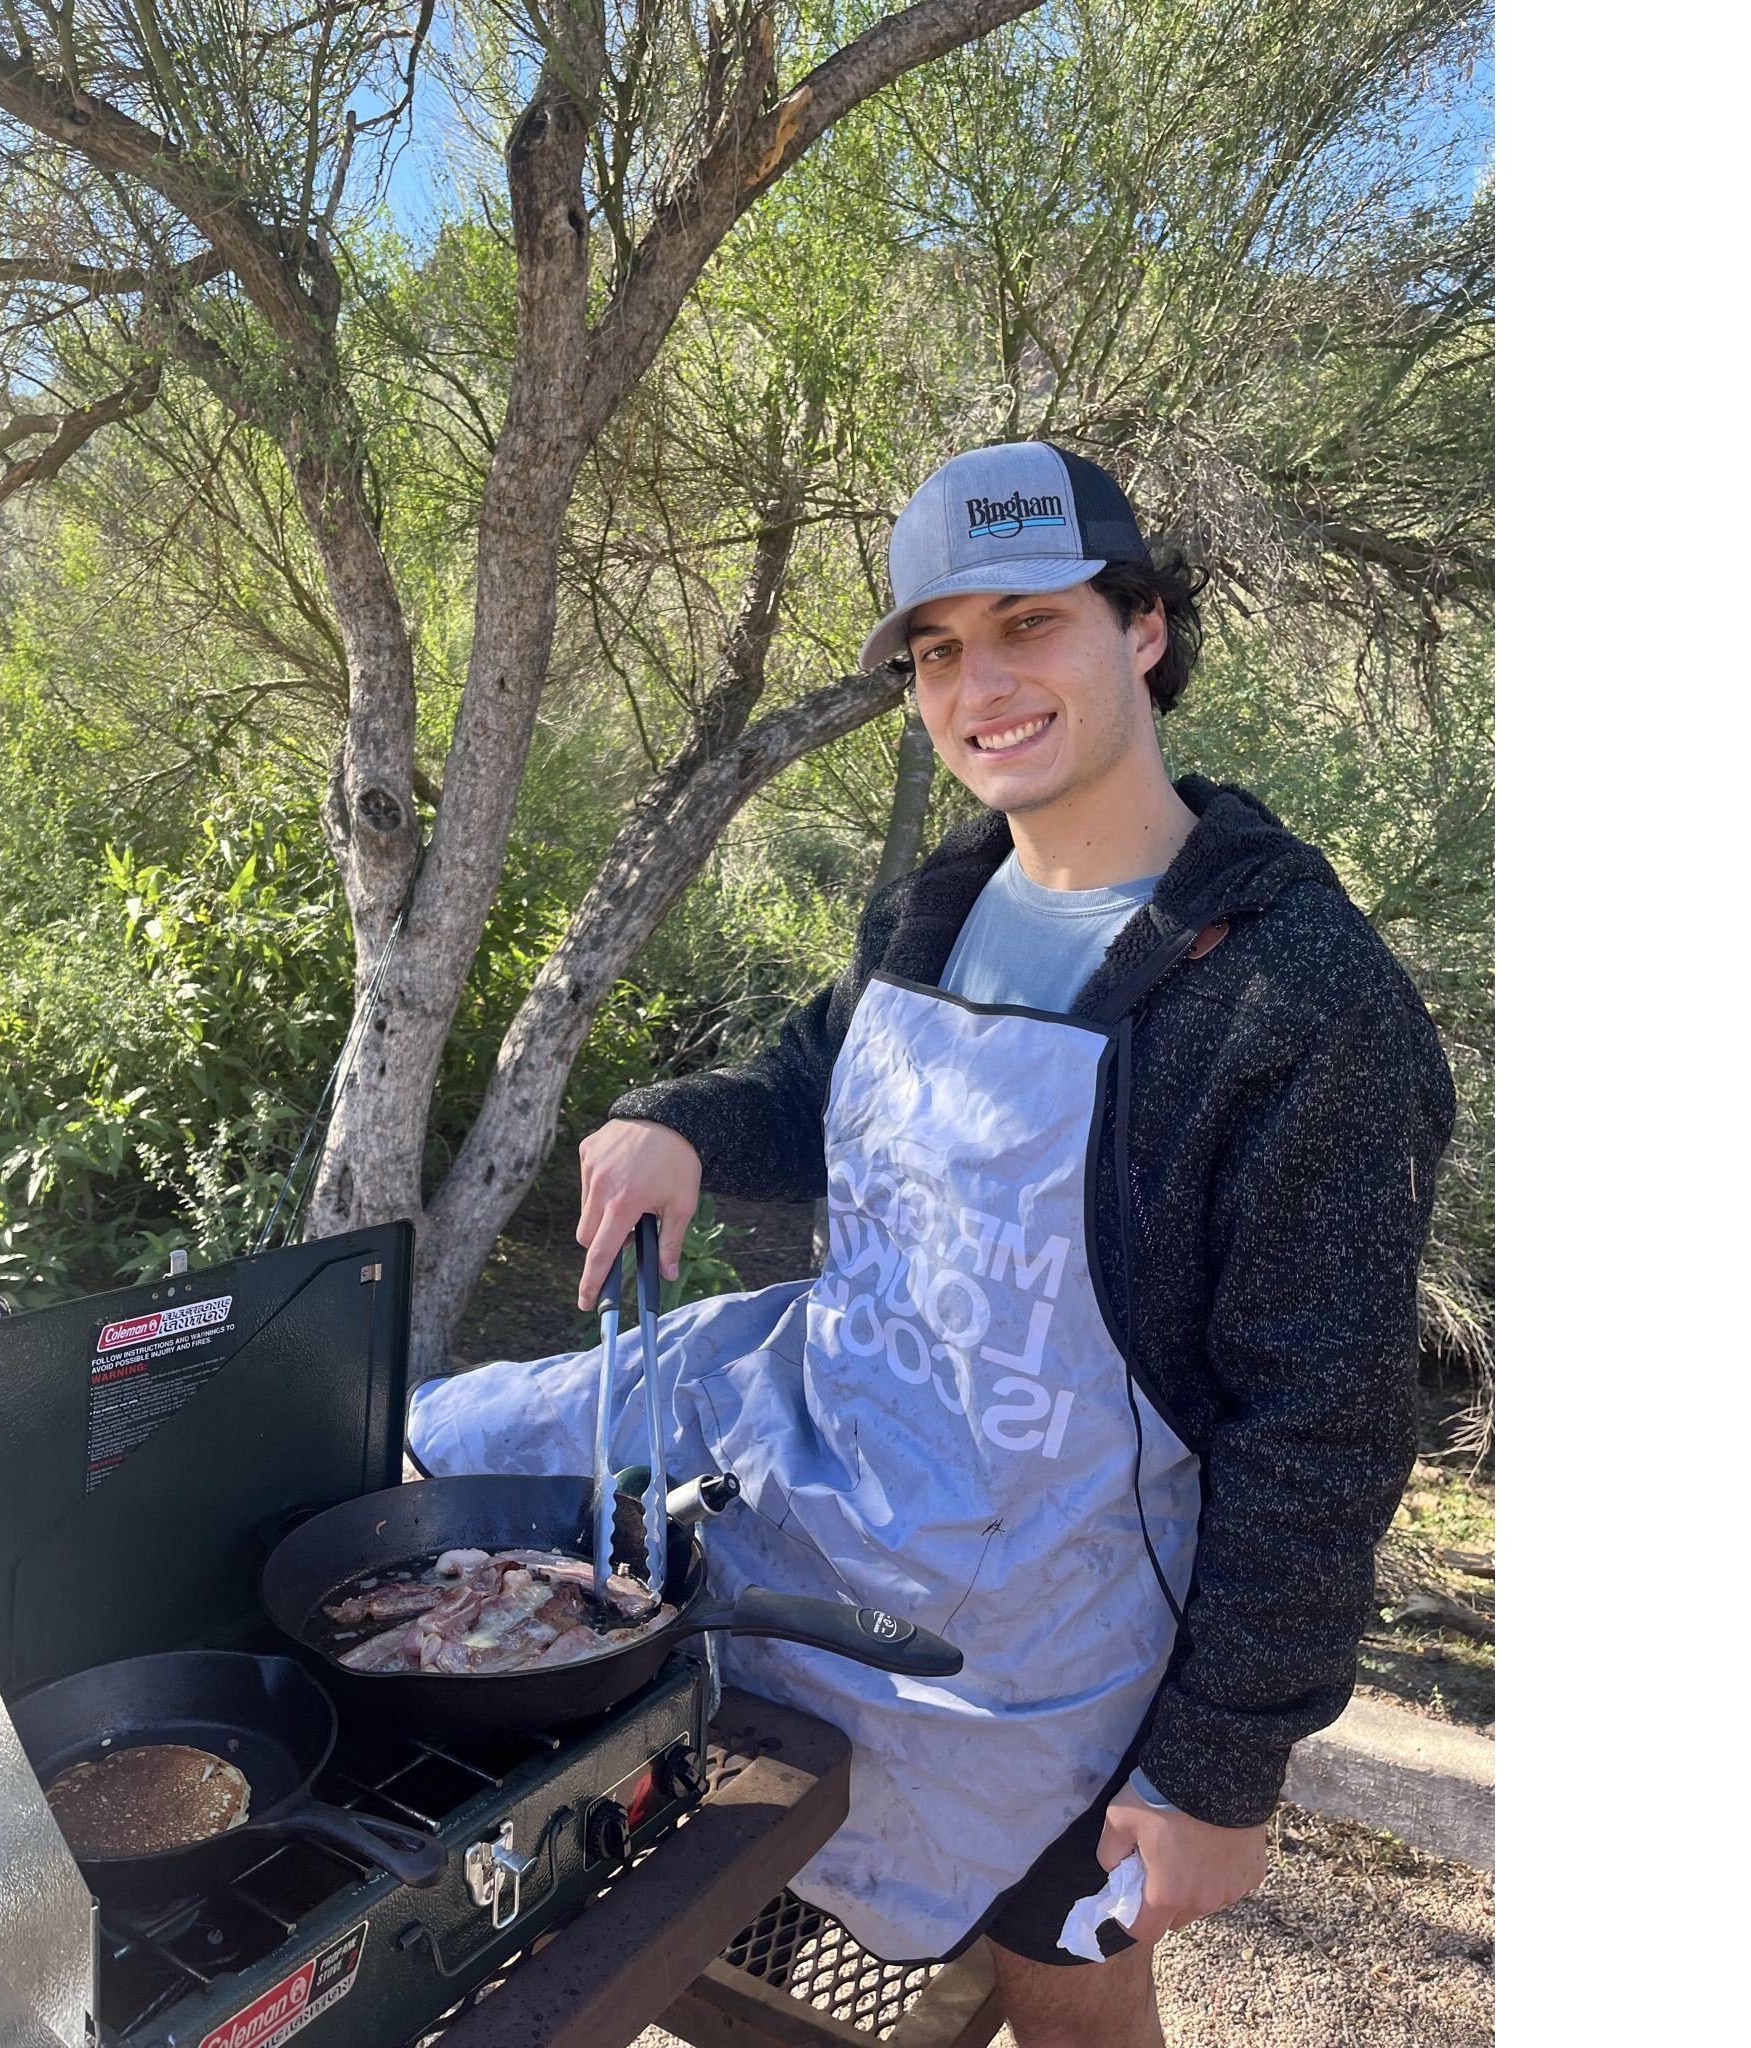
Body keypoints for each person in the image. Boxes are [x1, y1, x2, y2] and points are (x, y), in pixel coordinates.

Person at [408, 441, 1454, 2048]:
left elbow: (1322, 1430)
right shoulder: (945, 904)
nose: (982, 686)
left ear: (1147, 628)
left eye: (1031, 623)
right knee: (460, 1504)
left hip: (1056, 1619)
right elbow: (815, 1066)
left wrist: (1219, 1772)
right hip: (842, 1491)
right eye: (939, 650)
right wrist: (685, 1119)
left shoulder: (1295, 999)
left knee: (1066, 1983)